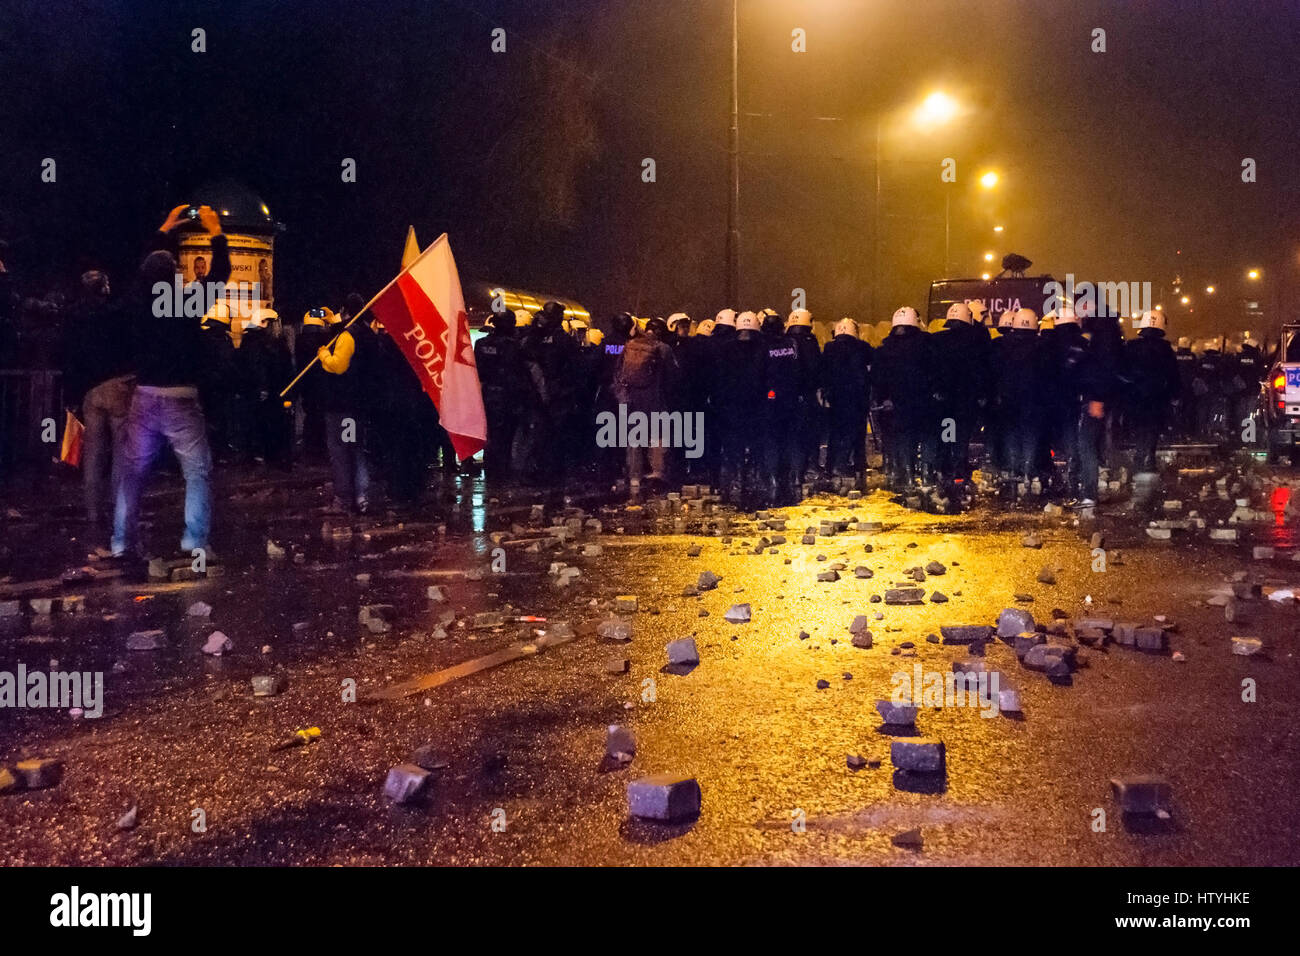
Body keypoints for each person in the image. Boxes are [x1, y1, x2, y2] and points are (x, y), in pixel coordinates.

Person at [112, 204, 227, 560]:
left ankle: (121, 542)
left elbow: (142, 268)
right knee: (196, 471)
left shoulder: (135, 301)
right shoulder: (187, 299)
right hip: (181, 396)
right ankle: (194, 543)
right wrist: (216, 231)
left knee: (132, 472)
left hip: (145, 394)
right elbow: (220, 274)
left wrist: (163, 229)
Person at [63, 269, 134, 525]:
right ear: (103, 288)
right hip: (116, 384)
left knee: (93, 454)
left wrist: (71, 394)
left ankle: (92, 512)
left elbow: (70, 358)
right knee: (120, 452)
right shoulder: (114, 314)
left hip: (89, 391)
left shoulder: (74, 317)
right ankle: (118, 510)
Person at [315, 308, 375, 513]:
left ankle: (344, 498)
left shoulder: (346, 338)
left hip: (341, 409)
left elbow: (338, 366)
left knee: (342, 451)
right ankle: (361, 497)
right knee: (354, 450)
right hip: (354, 407)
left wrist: (323, 355)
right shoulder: (364, 338)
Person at [522, 301, 583, 487]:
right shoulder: (564, 340)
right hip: (558, 396)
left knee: (540, 435)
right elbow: (576, 369)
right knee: (556, 437)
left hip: (540, 394)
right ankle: (553, 474)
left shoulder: (535, 338)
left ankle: (538, 472)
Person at [613, 315, 678, 490]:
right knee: (656, 437)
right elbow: (673, 376)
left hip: (632, 398)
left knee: (633, 438)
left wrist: (623, 397)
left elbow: (619, 374)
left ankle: (634, 477)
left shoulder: (629, 345)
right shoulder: (663, 348)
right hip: (655, 398)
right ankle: (657, 474)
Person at [930, 302, 991, 483]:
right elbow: (982, 370)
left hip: (944, 399)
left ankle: (942, 466)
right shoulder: (977, 341)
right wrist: (982, 394)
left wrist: (936, 389)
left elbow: (930, 369)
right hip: (966, 398)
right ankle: (958, 468)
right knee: (961, 436)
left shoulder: (937, 340)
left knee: (946, 433)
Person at [873, 307, 932, 490]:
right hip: (921, 402)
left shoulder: (884, 349)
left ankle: (903, 475)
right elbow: (936, 371)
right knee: (927, 438)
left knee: (900, 439)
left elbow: (877, 378)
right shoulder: (927, 345)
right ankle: (927, 474)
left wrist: (884, 399)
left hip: (893, 405)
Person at [475, 308, 534, 482]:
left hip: (488, 396)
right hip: (509, 398)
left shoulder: (481, 344)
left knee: (491, 436)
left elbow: (478, 371)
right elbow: (523, 373)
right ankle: (502, 473)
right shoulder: (515, 346)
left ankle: (491, 471)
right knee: (506, 437)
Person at [1122, 310, 1181, 474]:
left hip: (1135, 396)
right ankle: (1148, 458)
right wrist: (1175, 395)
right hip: (1157, 396)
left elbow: (1123, 371)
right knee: (1152, 428)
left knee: (1139, 427)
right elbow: (1173, 374)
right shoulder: (1165, 348)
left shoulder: (1131, 346)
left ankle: (1140, 457)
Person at [715, 310, 765, 502]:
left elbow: (719, 377)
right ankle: (752, 480)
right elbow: (766, 377)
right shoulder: (762, 348)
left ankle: (732, 484)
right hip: (755, 406)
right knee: (755, 446)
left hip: (731, 406)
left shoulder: (726, 348)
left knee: (731, 447)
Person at [992, 308, 1044, 481]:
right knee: (1030, 435)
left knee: (1011, 434)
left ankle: (1014, 470)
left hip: (1008, 399)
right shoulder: (1041, 346)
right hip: (1034, 400)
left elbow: (994, 371)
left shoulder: (1001, 345)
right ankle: (1028, 471)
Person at [821, 317, 872, 482]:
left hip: (835, 397)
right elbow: (875, 363)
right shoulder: (861, 347)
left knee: (836, 433)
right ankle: (850, 464)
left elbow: (823, 371)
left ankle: (831, 466)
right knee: (855, 432)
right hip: (857, 397)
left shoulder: (829, 348)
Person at [760, 310, 803, 504]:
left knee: (771, 439)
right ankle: (793, 477)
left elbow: (760, 372)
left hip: (770, 398)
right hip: (791, 397)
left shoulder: (762, 346)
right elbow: (798, 369)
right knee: (791, 439)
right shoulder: (791, 344)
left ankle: (772, 478)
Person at [785, 308, 824, 480]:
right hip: (806, 395)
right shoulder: (809, 342)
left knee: (792, 434)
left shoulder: (784, 341)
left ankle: (793, 470)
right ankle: (811, 467)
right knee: (811, 431)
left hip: (787, 396)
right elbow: (815, 368)